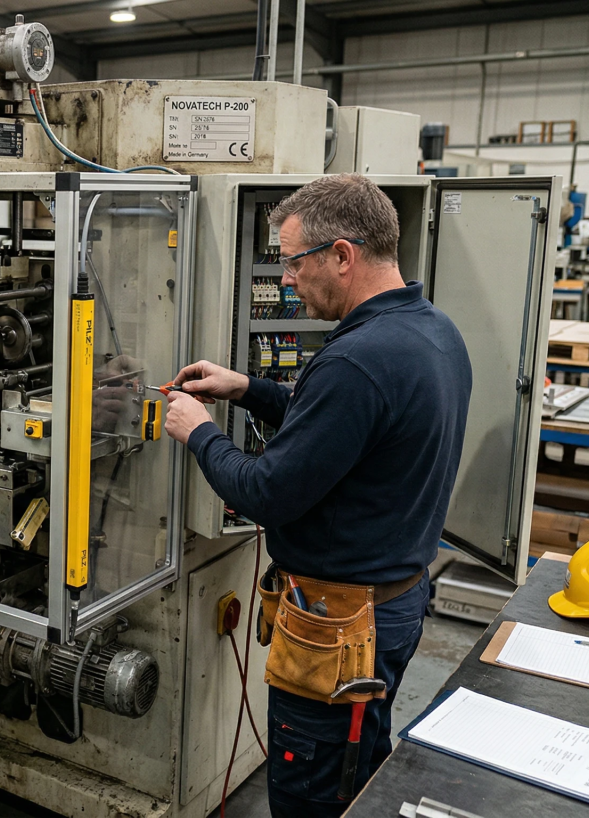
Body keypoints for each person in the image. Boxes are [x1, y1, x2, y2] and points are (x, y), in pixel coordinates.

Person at [162, 174, 473, 817]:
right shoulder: (434, 332)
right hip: (394, 603)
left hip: (338, 631)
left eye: (293, 262)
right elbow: (344, 431)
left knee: (311, 795)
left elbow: (266, 492)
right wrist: (248, 389)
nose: (286, 280)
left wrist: (199, 433)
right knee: (356, 777)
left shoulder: (356, 361)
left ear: (342, 255)